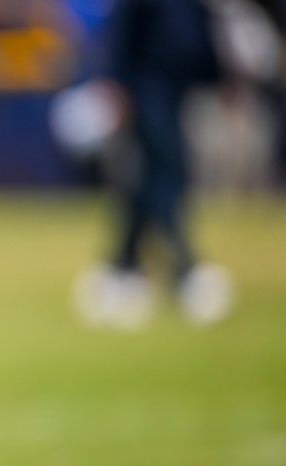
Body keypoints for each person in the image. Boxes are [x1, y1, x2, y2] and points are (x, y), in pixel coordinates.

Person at [74, 0, 234, 329]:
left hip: (177, 92)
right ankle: (185, 268)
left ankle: (123, 266)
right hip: (145, 91)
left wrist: (219, 78)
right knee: (165, 175)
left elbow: (199, 34)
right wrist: (117, 86)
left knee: (147, 183)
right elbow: (121, 32)